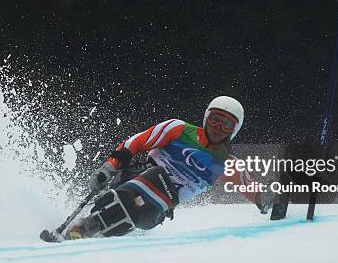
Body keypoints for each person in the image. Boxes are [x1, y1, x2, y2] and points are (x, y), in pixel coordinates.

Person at [43, 96, 268, 242]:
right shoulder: (179, 130)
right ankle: (84, 226)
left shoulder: (227, 164)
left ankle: (90, 230)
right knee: (156, 180)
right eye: (215, 119)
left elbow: (255, 191)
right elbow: (136, 142)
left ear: (234, 130)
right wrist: (108, 168)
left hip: (157, 207)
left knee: (158, 199)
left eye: (227, 124)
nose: (219, 128)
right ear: (206, 118)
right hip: (135, 177)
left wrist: (270, 201)